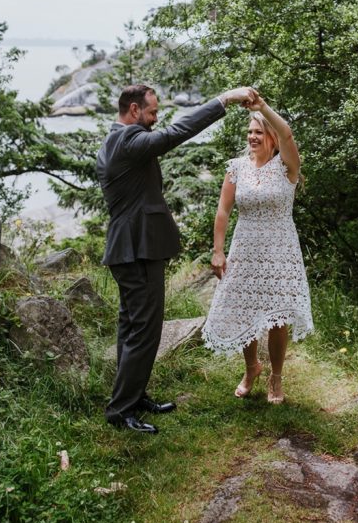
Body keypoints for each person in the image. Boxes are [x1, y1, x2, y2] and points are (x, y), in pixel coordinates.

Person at [97, 83, 256, 434]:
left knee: (131, 326)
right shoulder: (128, 140)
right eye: (152, 112)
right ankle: (121, 411)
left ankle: (133, 396)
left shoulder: (116, 141)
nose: (156, 119)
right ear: (135, 110)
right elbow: (176, 133)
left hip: (131, 248)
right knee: (145, 330)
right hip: (137, 249)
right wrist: (223, 99)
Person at [202, 93, 313, 405]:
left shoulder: (287, 166)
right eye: (250, 132)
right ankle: (252, 368)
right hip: (246, 246)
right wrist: (218, 250)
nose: (252, 137)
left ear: (272, 137)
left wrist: (262, 107)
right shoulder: (237, 168)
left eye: (258, 132)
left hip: (280, 248)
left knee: (278, 319)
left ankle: (276, 377)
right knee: (242, 310)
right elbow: (223, 211)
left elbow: (289, 133)